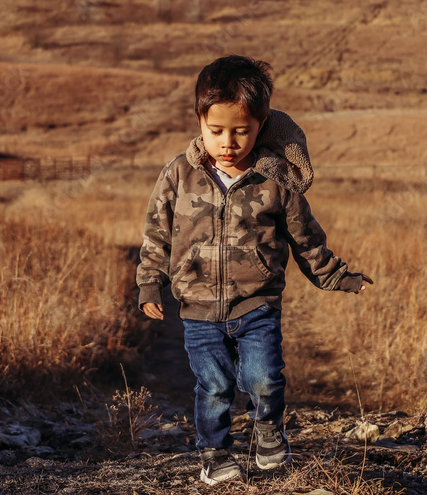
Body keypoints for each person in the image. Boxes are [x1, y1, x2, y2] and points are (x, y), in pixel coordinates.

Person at [136, 55, 373, 485]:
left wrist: (336, 275)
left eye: (241, 131)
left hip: (257, 303)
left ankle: (268, 432)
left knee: (264, 377)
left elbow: (305, 237)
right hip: (198, 309)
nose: (228, 142)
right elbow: (157, 234)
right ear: (200, 122)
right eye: (216, 131)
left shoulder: (275, 181)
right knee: (214, 388)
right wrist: (150, 283)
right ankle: (214, 454)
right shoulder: (179, 174)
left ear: (261, 126)